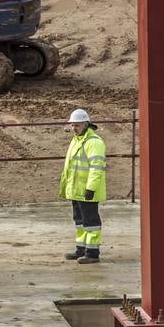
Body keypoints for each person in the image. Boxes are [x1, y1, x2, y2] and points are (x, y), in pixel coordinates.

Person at [58, 109, 106, 264]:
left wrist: (90, 189)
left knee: (91, 221)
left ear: (86, 124)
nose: (73, 128)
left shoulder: (94, 142)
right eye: (72, 125)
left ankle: (92, 253)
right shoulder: (77, 139)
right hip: (76, 190)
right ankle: (81, 249)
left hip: (87, 191)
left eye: (77, 125)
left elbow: (96, 168)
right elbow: (70, 167)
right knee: (79, 221)